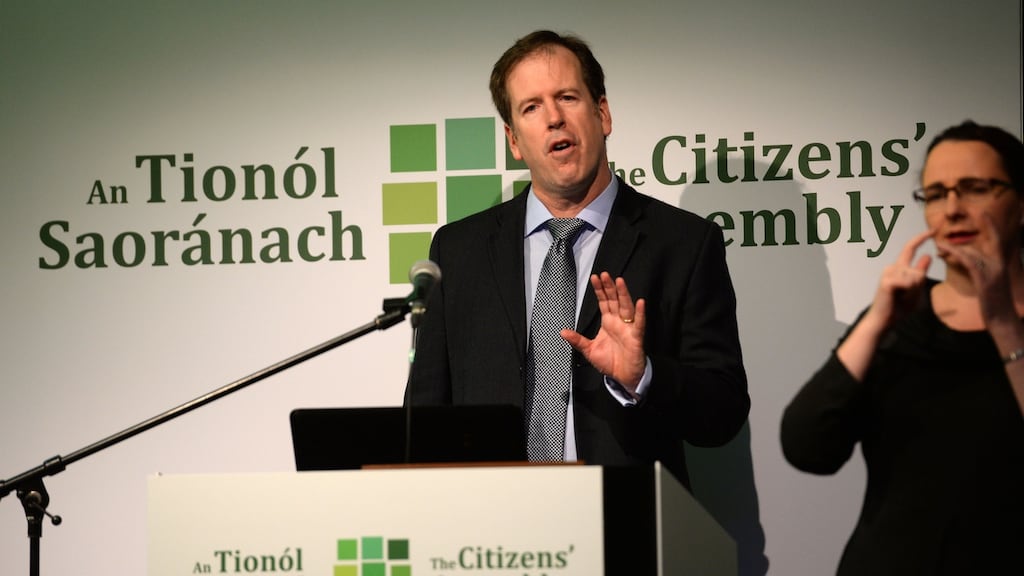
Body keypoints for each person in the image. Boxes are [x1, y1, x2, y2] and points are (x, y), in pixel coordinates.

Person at [407, 30, 749, 488]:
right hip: (491, 532)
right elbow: (422, 420)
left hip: (625, 531)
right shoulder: (458, 252)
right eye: (531, 107)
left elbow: (722, 415)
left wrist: (642, 375)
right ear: (514, 140)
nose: (553, 118)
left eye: (567, 97)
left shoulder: (683, 244)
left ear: (602, 113)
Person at [781, 121, 1024, 574]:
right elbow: (807, 446)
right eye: (935, 194)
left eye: (974, 189)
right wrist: (876, 321)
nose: (952, 209)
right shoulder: (899, 318)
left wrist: (1004, 324)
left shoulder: (1015, 328)